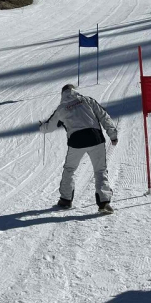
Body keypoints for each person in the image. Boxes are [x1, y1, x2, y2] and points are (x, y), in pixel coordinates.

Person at [39, 84, 118, 214]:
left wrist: (41, 127)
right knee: (100, 170)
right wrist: (113, 135)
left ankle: (65, 199)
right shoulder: (87, 100)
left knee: (70, 169)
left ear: (62, 94)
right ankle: (104, 203)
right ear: (74, 90)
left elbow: (50, 126)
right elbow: (104, 116)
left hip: (76, 141)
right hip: (95, 138)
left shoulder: (61, 108)